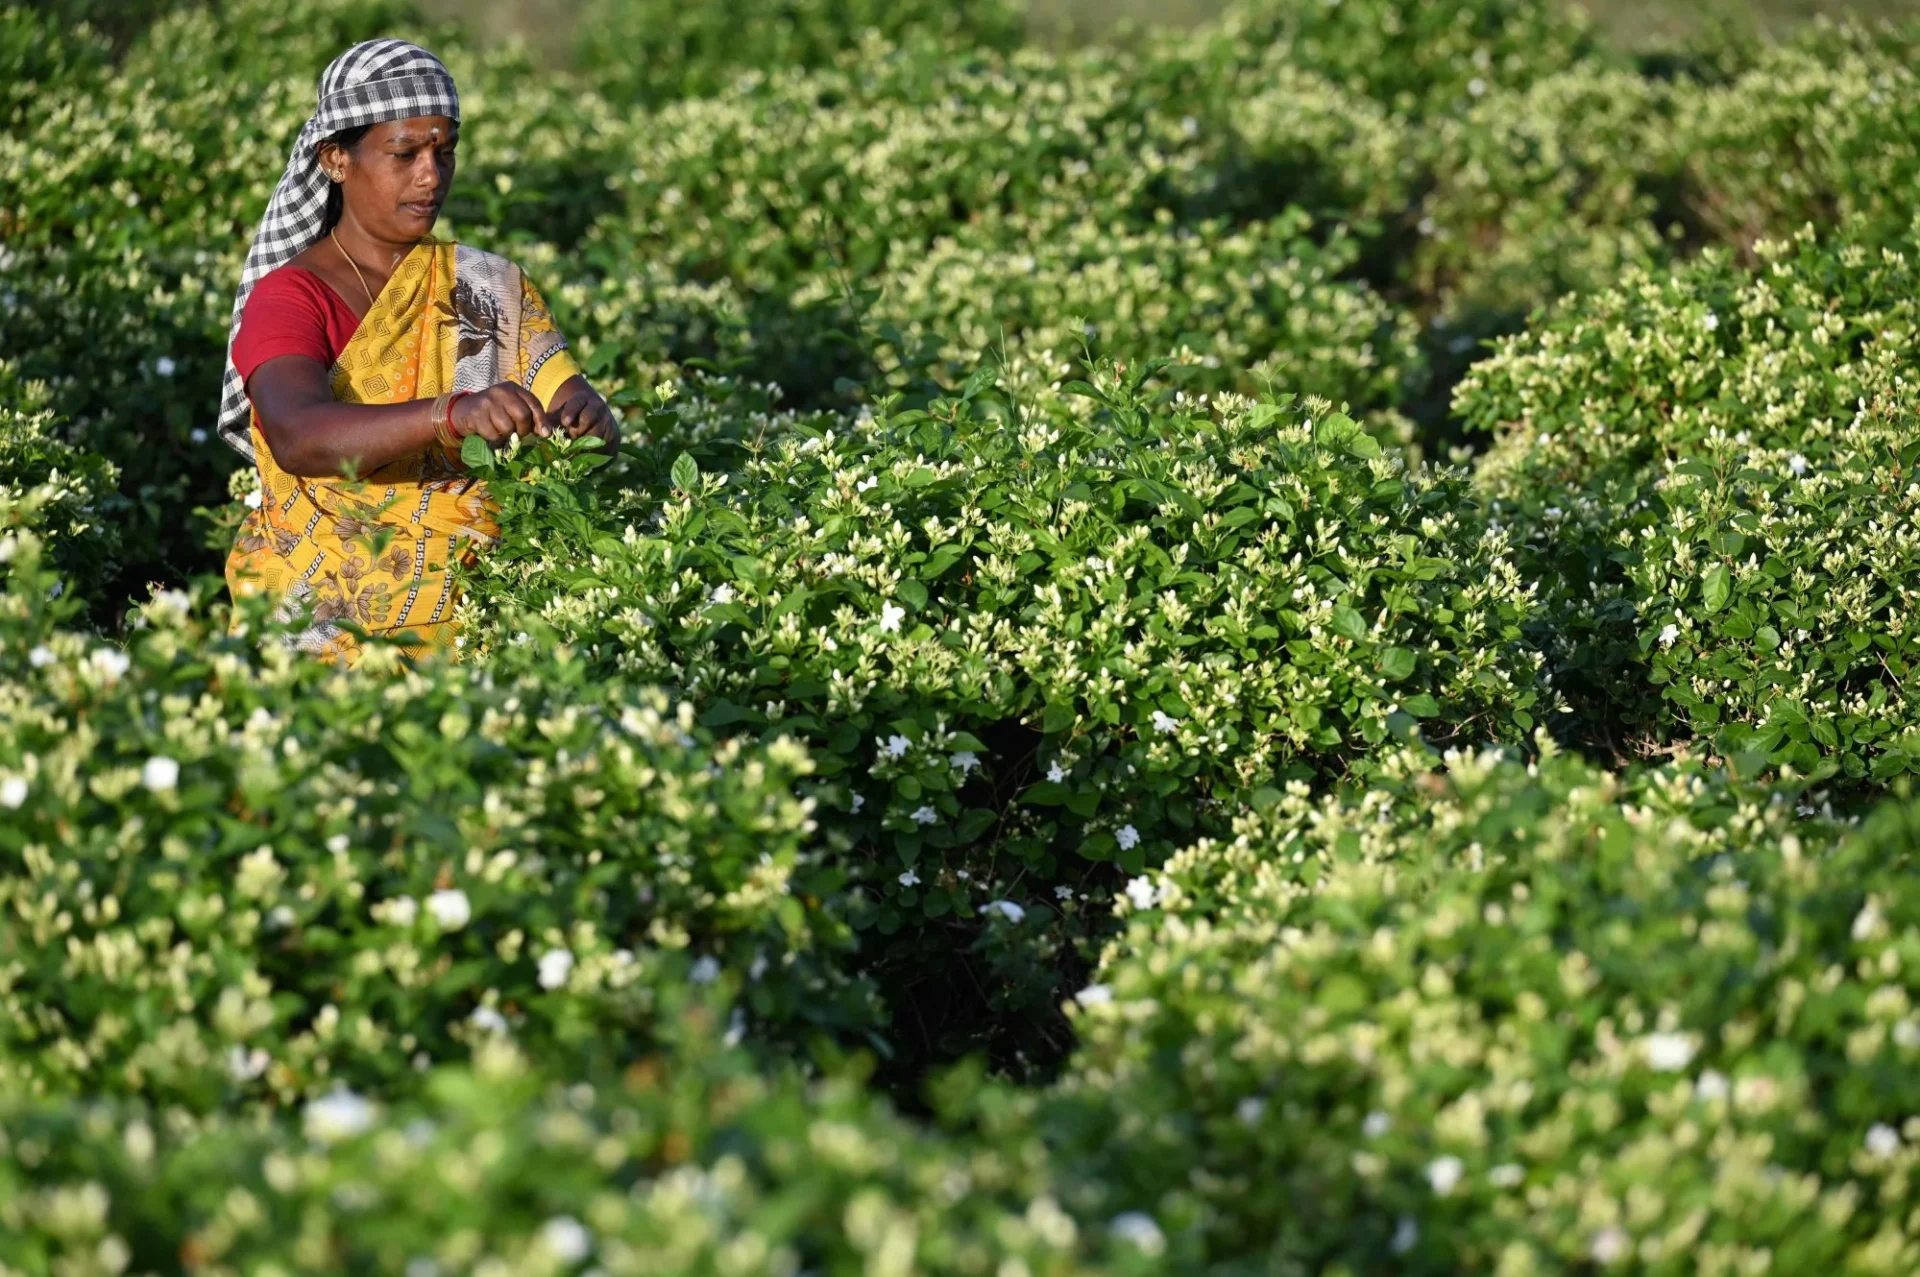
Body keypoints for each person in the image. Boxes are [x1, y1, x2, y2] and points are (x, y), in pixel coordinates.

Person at [218, 39, 617, 661]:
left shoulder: (487, 283)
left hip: (487, 607)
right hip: (322, 618)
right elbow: (297, 435)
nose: (431, 176)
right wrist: (450, 414)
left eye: (444, 151)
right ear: (335, 161)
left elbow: (566, 393)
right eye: (404, 153)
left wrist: (586, 417)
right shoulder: (292, 296)